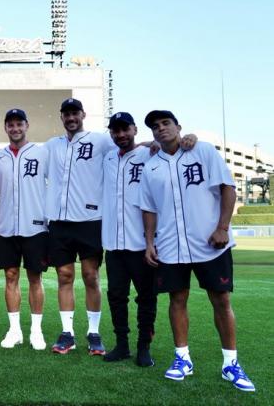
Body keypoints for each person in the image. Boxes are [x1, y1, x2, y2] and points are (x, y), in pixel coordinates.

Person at [140, 110, 255, 392]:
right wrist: (150, 243)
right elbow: (149, 208)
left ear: (178, 126)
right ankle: (182, 359)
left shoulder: (202, 150)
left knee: (221, 300)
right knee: (177, 300)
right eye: (155, 126)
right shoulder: (151, 166)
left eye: (166, 123)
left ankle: (231, 363)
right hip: (171, 246)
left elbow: (228, 188)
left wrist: (223, 228)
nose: (161, 128)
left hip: (210, 244)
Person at [44, 98, 115, 355]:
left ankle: (94, 333)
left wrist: (153, 145)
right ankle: (67, 333)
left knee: (90, 276)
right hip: (59, 223)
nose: (71, 117)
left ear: (83, 114)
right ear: (61, 117)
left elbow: (127, 146)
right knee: (64, 276)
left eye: (75, 113)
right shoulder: (52, 145)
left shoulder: (100, 140)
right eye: (66, 114)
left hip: (89, 222)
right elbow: (30, 159)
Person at [0, 108, 48, 350]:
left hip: (35, 227)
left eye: (19, 124)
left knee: (35, 278)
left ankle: (36, 331)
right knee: (10, 277)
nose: (15, 128)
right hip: (7, 228)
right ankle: (14, 330)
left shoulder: (42, 153)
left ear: (27, 125)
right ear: (5, 128)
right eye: (10, 125)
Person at [101, 112, 157, 366]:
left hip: (140, 244)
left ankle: (144, 347)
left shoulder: (150, 154)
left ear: (135, 130)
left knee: (146, 297)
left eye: (125, 129)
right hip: (113, 243)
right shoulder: (108, 157)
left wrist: (190, 137)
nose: (121, 134)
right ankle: (121, 345)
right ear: (111, 133)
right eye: (116, 130)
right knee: (116, 296)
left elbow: (174, 146)